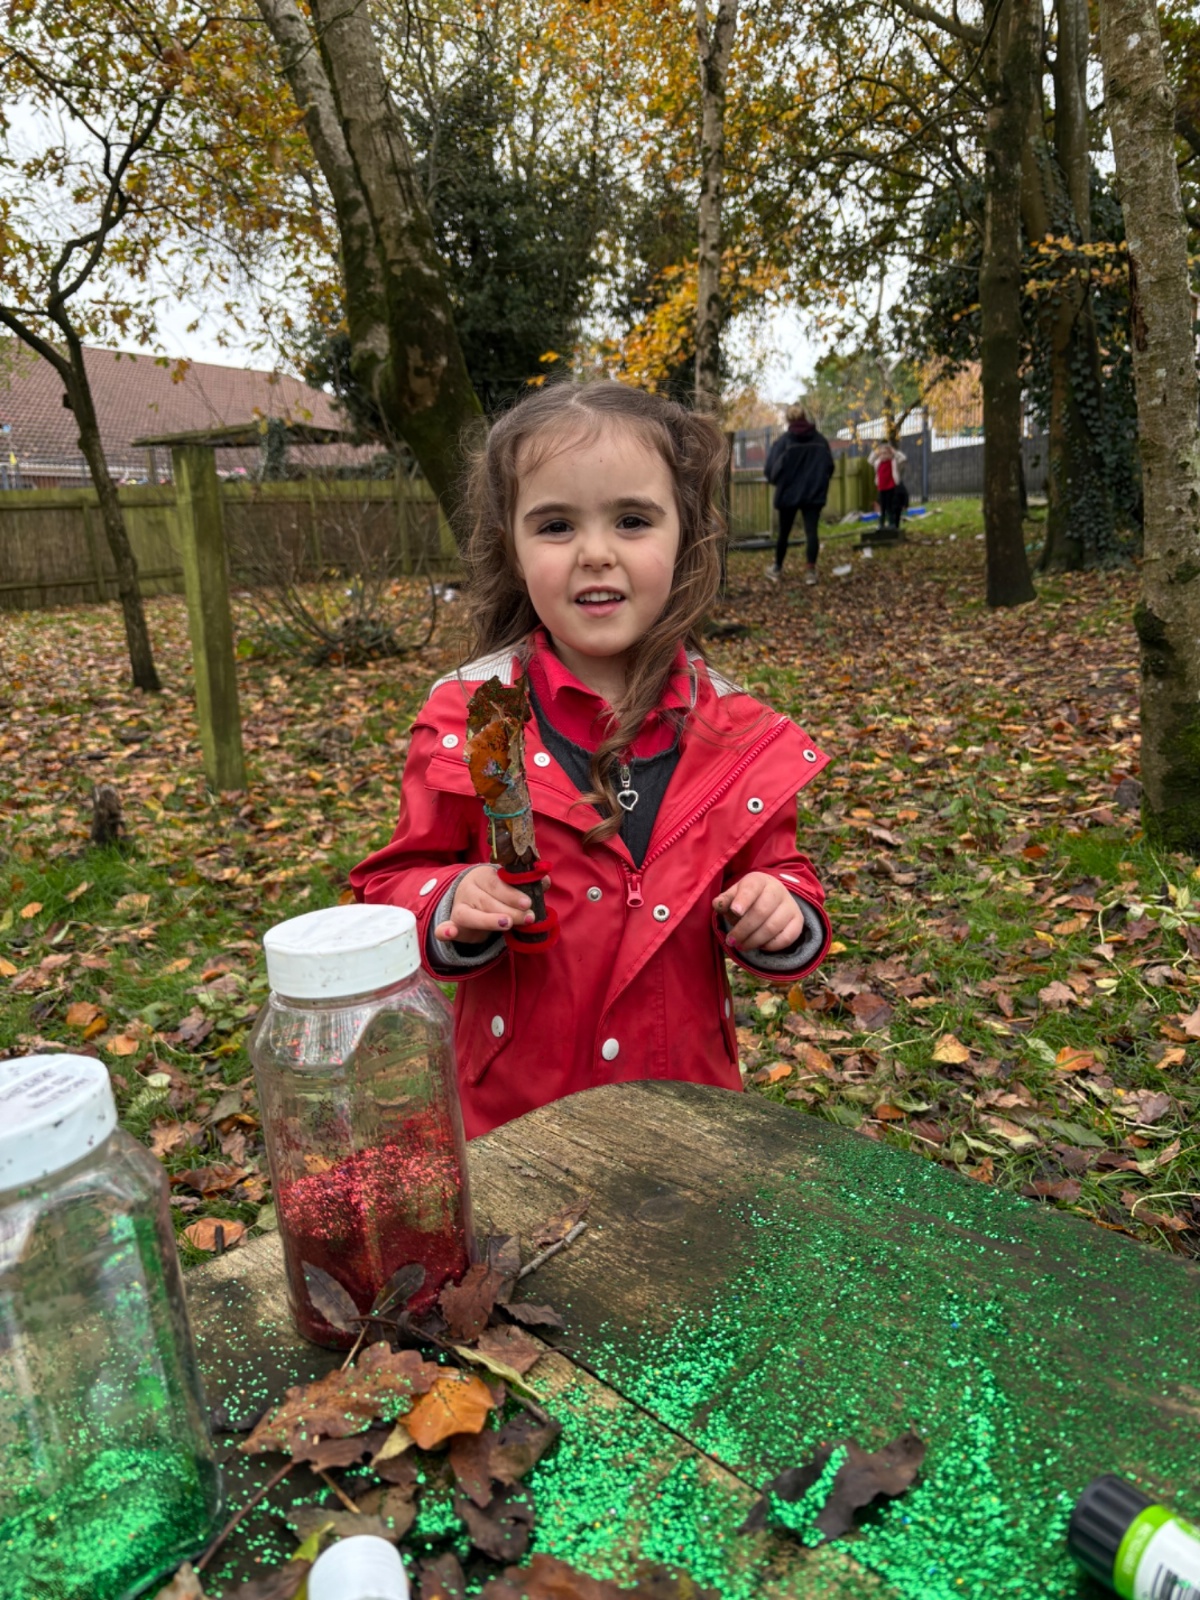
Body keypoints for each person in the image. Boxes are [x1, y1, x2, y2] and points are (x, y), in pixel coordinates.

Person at [351, 382, 832, 1138]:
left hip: (685, 1110)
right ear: (510, 548)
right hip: (517, 1118)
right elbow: (390, 886)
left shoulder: (739, 734)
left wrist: (781, 908)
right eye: (555, 525)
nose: (596, 553)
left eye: (632, 520)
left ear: (686, 534)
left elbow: (782, 872)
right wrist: (450, 898)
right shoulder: (472, 716)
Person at [762, 405, 835, 584]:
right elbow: (829, 466)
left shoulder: (784, 442)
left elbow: (770, 468)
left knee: (784, 533)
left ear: (788, 420)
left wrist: (779, 482)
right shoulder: (820, 441)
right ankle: (810, 572)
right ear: (805, 417)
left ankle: (777, 568)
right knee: (811, 532)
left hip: (788, 493)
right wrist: (819, 482)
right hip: (813, 493)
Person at [869, 440, 907, 530]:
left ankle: (891, 523)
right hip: (881, 487)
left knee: (890, 506)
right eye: (882, 454)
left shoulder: (893, 462)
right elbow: (870, 460)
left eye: (886, 453)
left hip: (891, 487)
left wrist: (894, 451)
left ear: (890, 454)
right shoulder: (878, 463)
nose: (884, 456)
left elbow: (903, 458)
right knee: (882, 506)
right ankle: (881, 523)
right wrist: (876, 451)